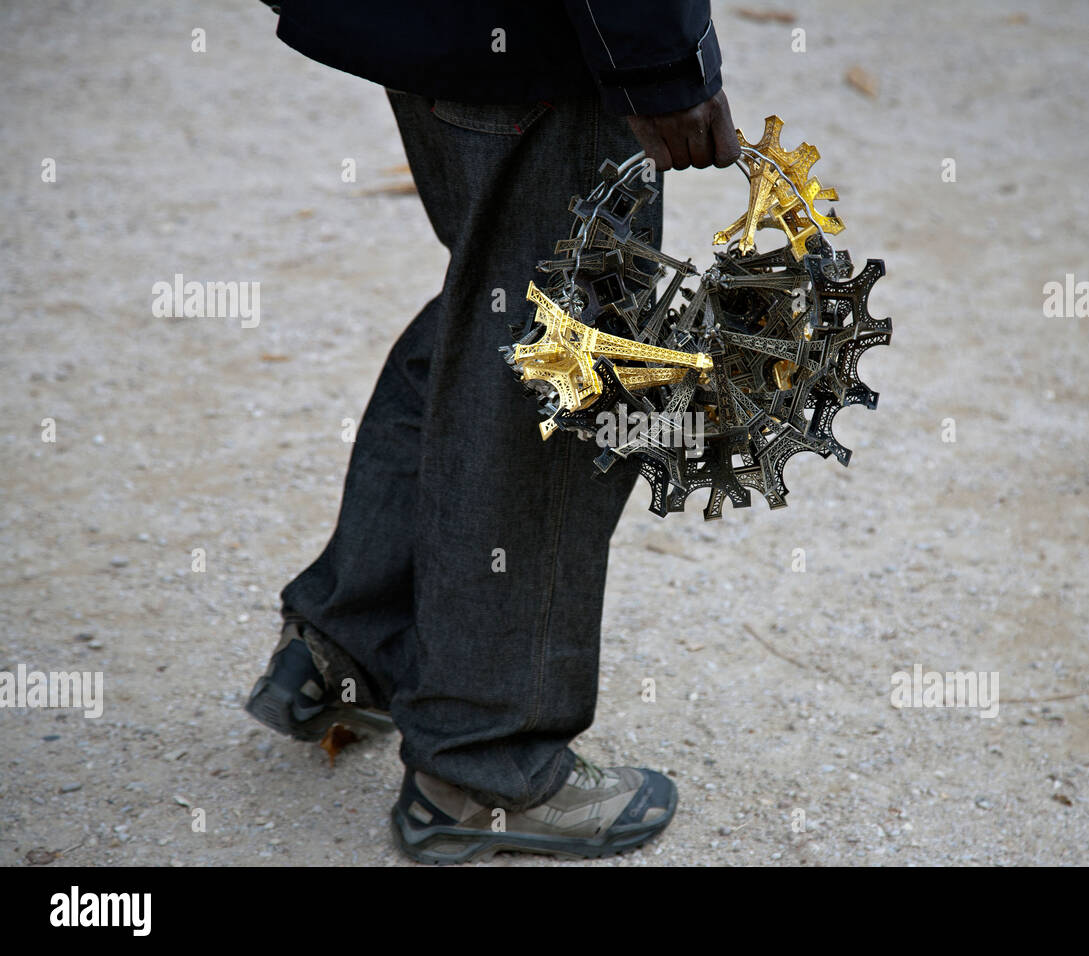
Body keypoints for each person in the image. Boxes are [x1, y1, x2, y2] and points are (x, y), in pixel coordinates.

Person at [243, 0, 740, 864]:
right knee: (558, 359)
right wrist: (661, 56)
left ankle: (352, 641)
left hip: (442, 22)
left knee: (501, 304)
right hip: (552, 39)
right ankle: (482, 764)